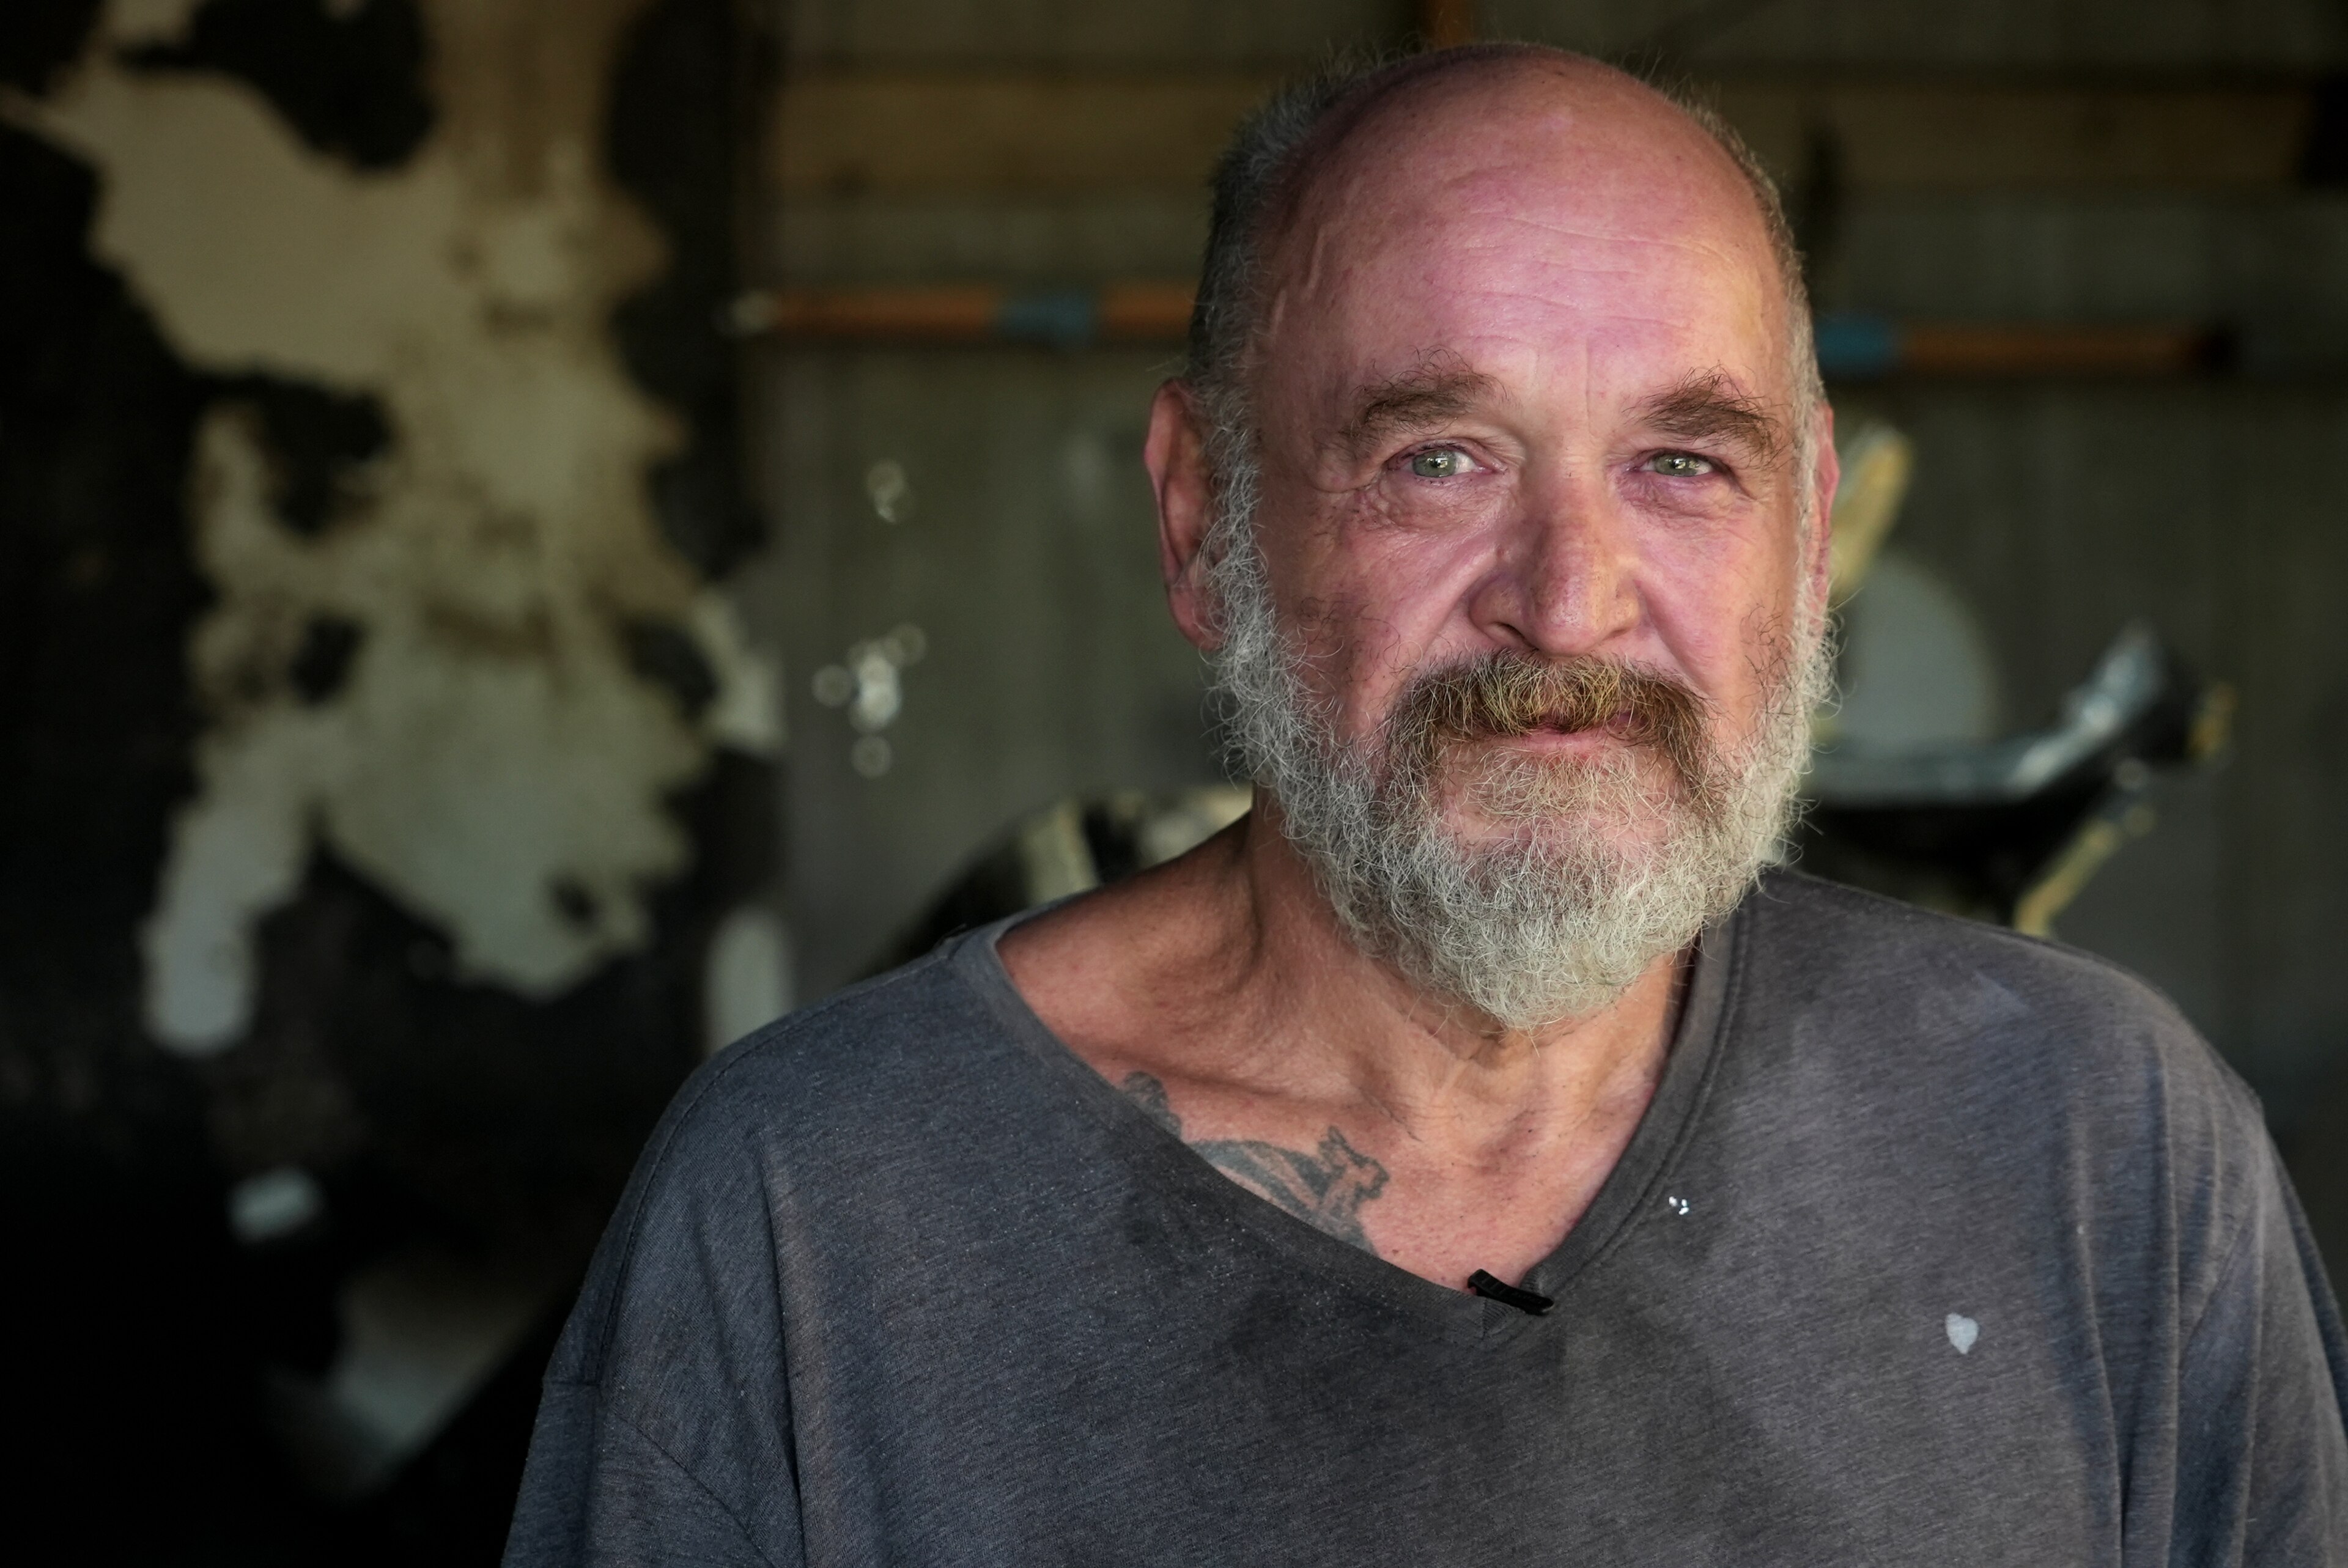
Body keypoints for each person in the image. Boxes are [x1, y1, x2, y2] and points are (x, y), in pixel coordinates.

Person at [504, 45, 2348, 1565]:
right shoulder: (815, 1215)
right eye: (1440, 458)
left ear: (1806, 541)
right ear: (1200, 522)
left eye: (1685, 464)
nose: (1571, 599)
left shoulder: (2102, 1153)